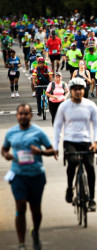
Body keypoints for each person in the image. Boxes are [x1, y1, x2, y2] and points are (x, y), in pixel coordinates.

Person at [1, 103, 57, 250]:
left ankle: (36, 231)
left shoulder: (38, 132)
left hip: (36, 175)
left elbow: (52, 150)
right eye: (21, 114)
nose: (23, 116)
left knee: (35, 210)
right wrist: (7, 155)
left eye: (26, 114)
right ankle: (21, 243)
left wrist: (41, 152)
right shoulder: (11, 133)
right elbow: (4, 149)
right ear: (17, 115)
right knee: (20, 207)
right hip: (18, 176)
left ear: (31, 116)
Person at [53, 78, 97, 212]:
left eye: (80, 89)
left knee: (90, 168)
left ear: (84, 90)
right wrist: (55, 146)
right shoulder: (64, 106)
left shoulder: (90, 105)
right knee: (73, 163)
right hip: (70, 141)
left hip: (86, 141)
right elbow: (57, 126)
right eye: (75, 89)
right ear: (71, 91)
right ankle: (70, 188)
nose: (78, 92)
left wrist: (96, 142)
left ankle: (91, 199)